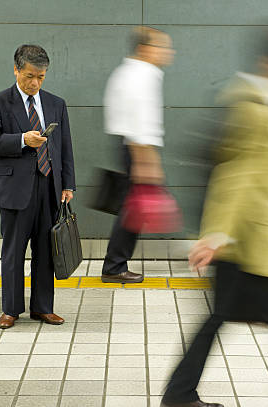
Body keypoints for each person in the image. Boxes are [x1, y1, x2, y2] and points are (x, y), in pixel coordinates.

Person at [161, 30, 268, 407]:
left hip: (264, 239)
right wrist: (217, 235)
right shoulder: (258, 104)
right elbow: (239, 172)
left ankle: (179, 394)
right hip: (249, 241)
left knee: (223, 316)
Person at [0, 44, 76, 328]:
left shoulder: (56, 103)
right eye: (30, 76)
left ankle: (43, 308)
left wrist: (68, 184)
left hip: (49, 187)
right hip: (15, 190)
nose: (35, 83)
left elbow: (65, 147)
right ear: (16, 70)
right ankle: (11, 309)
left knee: (47, 251)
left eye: (41, 77)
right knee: (14, 251)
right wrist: (22, 140)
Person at [100, 27, 175, 283]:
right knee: (133, 208)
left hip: (130, 146)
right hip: (137, 149)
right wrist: (147, 162)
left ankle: (114, 264)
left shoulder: (127, 72)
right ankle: (114, 266)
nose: (167, 52)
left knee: (131, 207)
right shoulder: (143, 75)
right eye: (162, 46)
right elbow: (140, 121)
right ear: (145, 49)